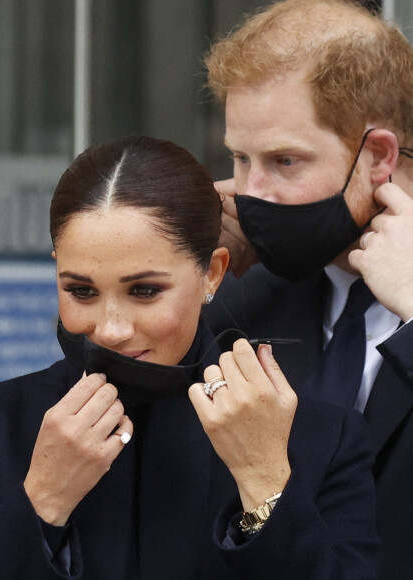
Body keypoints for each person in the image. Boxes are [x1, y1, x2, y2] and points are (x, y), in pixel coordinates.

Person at [0, 136, 378, 579]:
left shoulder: (319, 438)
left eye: (145, 291)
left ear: (212, 273)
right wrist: (42, 501)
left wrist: (265, 482)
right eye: (80, 290)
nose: (110, 329)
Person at [202, 1, 413, 578]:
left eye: (284, 160)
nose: (253, 192)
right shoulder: (239, 299)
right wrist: (181, 273)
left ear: (377, 157)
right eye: (241, 159)